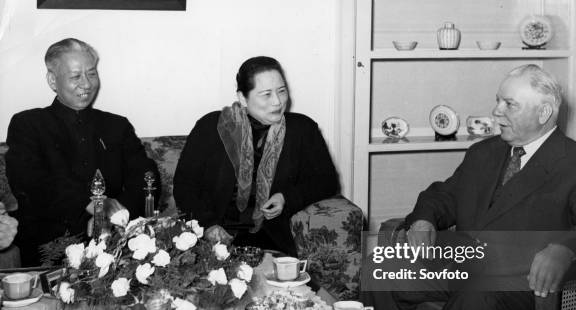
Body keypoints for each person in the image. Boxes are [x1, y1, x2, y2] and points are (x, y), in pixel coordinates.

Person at [362, 64, 576, 310]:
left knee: (474, 295)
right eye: (498, 101)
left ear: (544, 112)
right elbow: (444, 196)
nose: (496, 111)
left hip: (527, 285)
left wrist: (566, 250)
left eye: (510, 104)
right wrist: (424, 219)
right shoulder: (485, 152)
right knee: (381, 269)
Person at [6, 38, 159, 267]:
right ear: (52, 80)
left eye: (92, 74)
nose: (87, 84)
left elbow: (147, 174)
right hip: (51, 247)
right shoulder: (28, 124)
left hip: (118, 241)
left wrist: (114, 213)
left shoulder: (117, 125)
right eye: (76, 76)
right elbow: (31, 182)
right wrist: (93, 206)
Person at [174, 56, 339, 256]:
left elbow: (327, 180)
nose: (277, 102)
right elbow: (184, 186)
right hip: (214, 236)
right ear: (243, 98)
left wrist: (286, 197)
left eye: (281, 91)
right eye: (266, 94)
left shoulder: (303, 130)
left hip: (270, 238)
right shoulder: (210, 127)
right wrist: (208, 225)